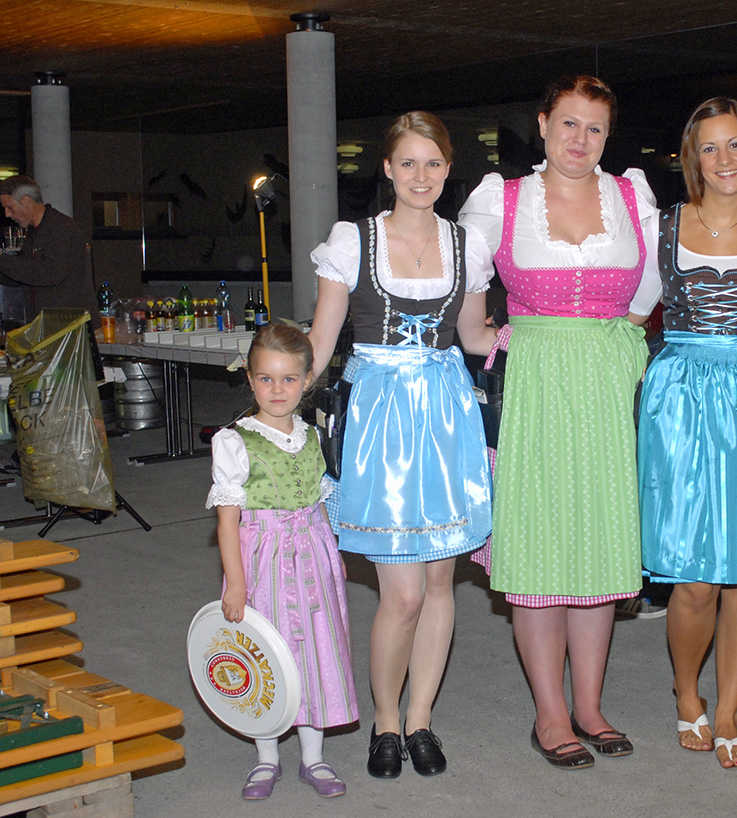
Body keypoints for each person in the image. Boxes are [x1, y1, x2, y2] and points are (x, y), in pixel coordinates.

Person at [458, 75, 655, 770]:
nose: (581, 139)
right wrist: (497, 340)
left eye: (595, 127)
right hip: (535, 382)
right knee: (540, 546)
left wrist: (617, 347)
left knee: (598, 545)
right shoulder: (503, 198)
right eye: (569, 123)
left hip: (606, 382)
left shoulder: (631, 196)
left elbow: (650, 291)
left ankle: (590, 706)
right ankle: (549, 712)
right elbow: (469, 297)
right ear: (542, 125)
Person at [307, 111, 495, 779]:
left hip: (445, 416)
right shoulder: (352, 240)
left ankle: (420, 719)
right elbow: (321, 342)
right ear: (387, 169)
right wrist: (274, 401)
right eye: (408, 162)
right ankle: (385, 720)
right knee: (403, 593)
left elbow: (475, 337)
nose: (421, 175)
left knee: (442, 582)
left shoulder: (467, 245)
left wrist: (548, 337)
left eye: (433, 163)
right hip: (380, 421)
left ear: (448, 170)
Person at [628, 97, 737, 769]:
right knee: (695, 576)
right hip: (680, 403)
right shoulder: (664, 227)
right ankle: (685, 691)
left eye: (735, 144)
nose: (724, 159)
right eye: (710, 147)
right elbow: (632, 314)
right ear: (691, 159)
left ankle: (728, 710)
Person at [206, 324, 358, 800]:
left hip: (312, 554)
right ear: (250, 380)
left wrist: (335, 553)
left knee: (315, 648)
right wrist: (236, 583)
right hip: (263, 559)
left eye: (289, 379)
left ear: (307, 380)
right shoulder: (235, 441)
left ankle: (314, 757)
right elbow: (227, 522)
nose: (277, 389)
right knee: (267, 655)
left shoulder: (312, 435)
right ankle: (266, 757)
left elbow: (319, 499)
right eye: (266, 379)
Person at [0, 175, 99, 318]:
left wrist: (2, 260)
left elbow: (50, 273)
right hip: (51, 322)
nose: (7, 214)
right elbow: (21, 275)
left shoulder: (61, 228)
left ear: (26, 201)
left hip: (70, 323)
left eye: (9, 207)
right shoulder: (35, 232)